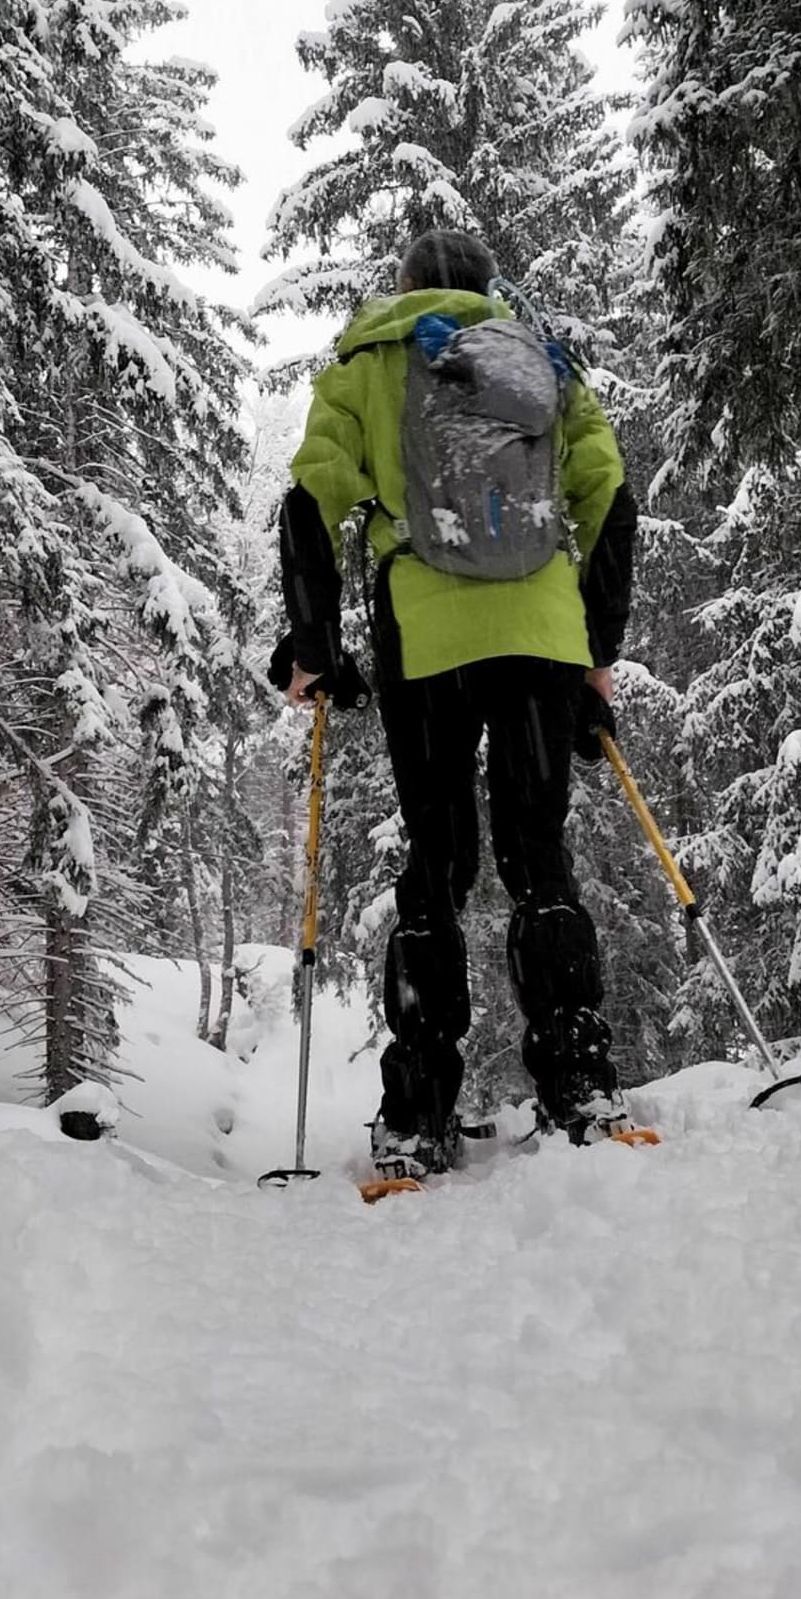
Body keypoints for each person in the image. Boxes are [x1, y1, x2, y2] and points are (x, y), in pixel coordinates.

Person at [274, 228, 637, 1181]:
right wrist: (597, 656)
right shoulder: (539, 362)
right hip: (542, 636)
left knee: (437, 861)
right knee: (536, 849)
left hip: (428, 641)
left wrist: (316, 652)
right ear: (487, 287)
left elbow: (312, 502)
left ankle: (418, 1116)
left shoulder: (371, 361)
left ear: (403, 290)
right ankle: (581, 1088)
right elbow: (607, 494)